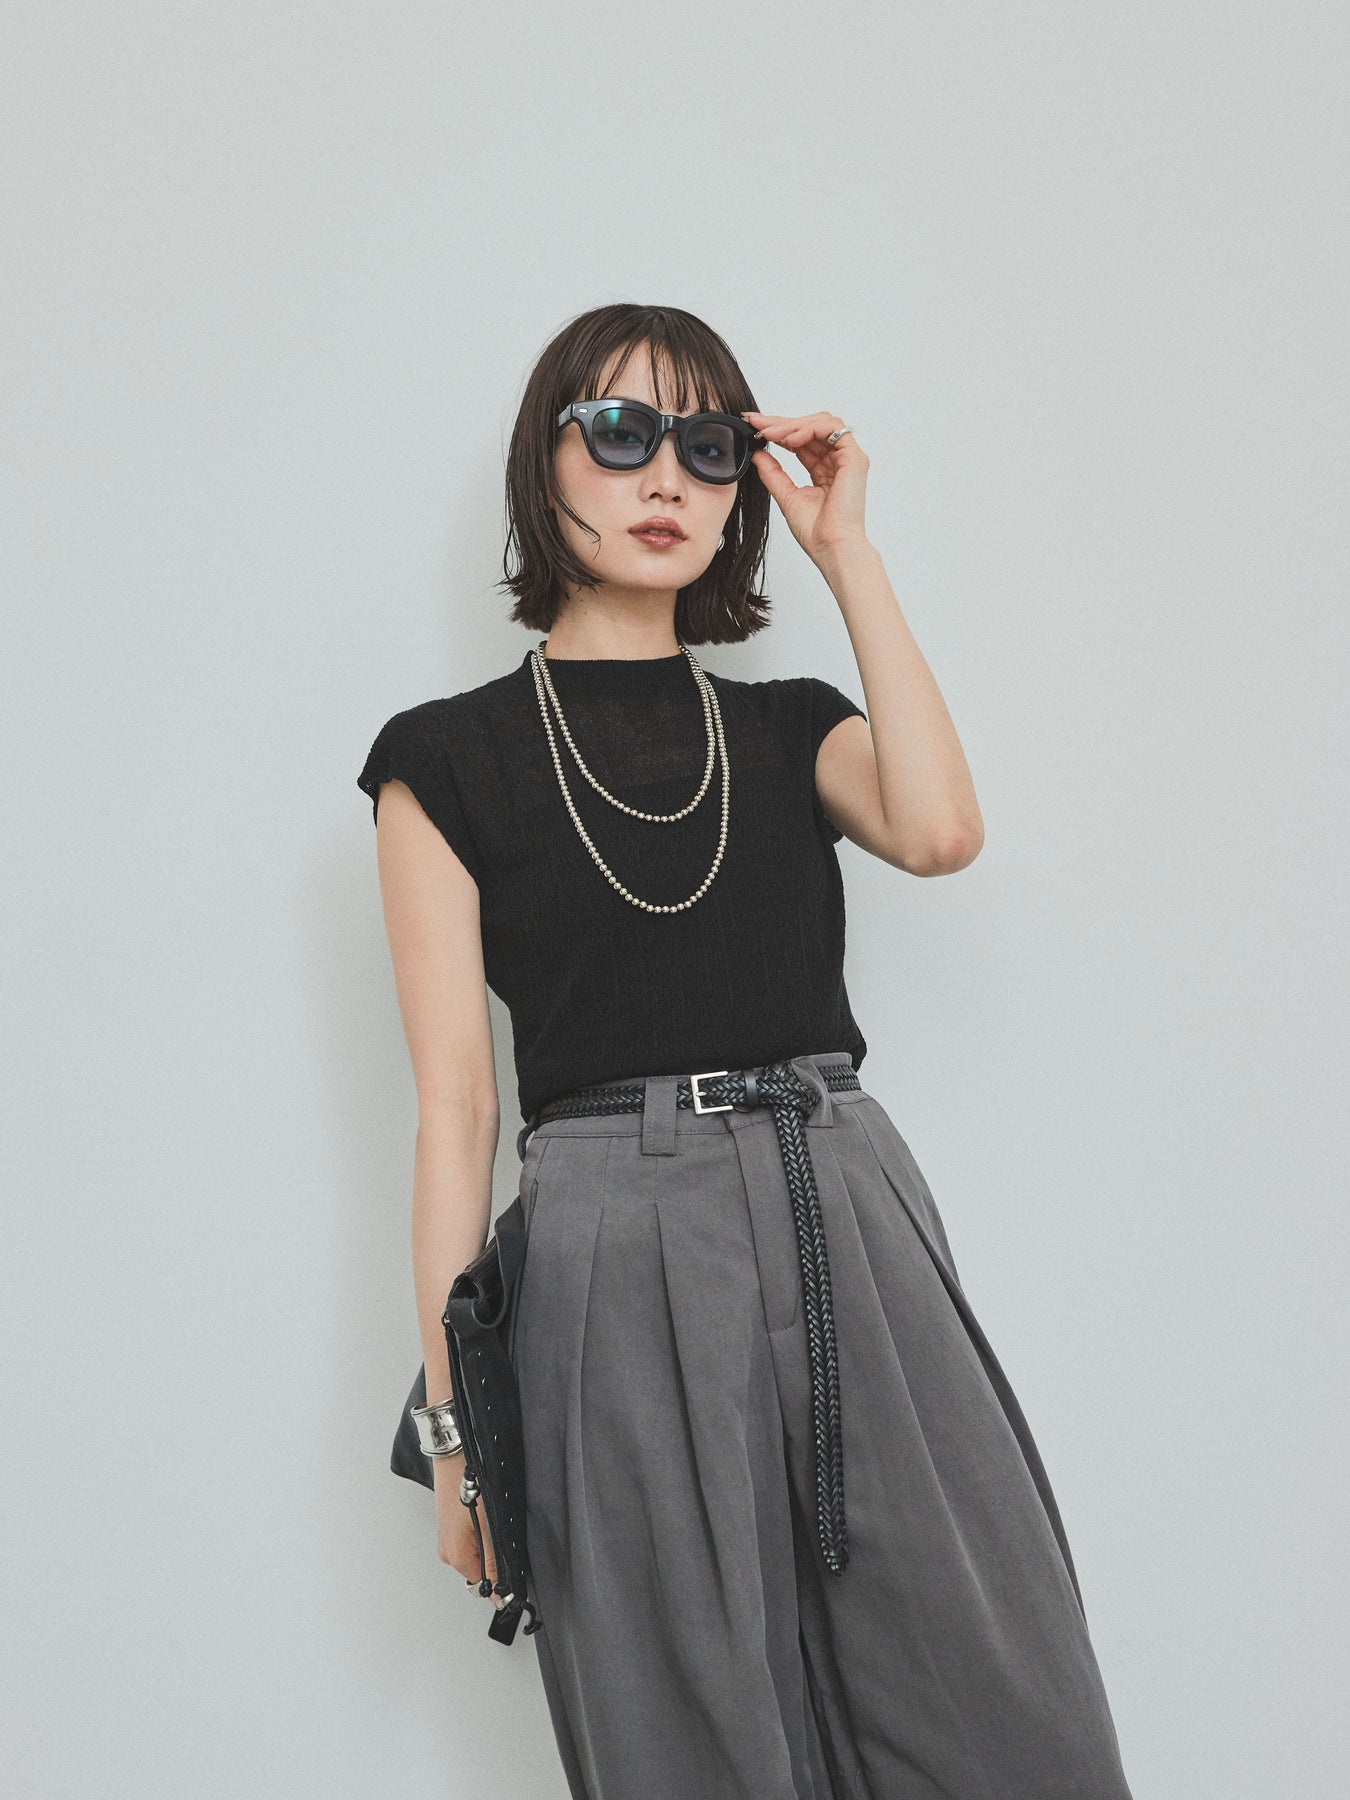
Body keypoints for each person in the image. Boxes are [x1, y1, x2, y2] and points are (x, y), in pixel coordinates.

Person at [357, 303, 1135, 1799]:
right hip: (610, 1233)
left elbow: (939, 830)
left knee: (996, 1695)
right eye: (620, 431)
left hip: (843, 1201)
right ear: (544, 463)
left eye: (707, 445)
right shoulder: (442, 761)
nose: (667, 476)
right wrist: (457, 1433)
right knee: (687, 1719)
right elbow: (455, 1111)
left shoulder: (788, 729)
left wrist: (849, 553)